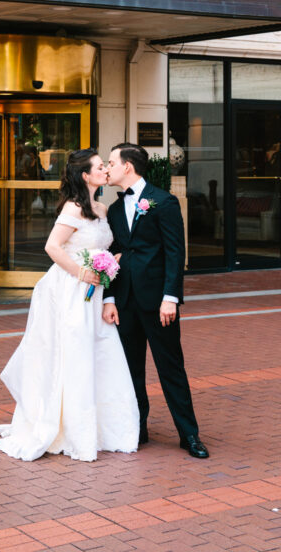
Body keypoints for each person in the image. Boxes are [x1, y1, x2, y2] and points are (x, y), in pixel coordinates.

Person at [0, 148, 139, 462]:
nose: (105, 170)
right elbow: (52, 246)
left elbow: (105, 245)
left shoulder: (101, 208)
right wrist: (83, 273)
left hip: (95, 293)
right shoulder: (74, 208)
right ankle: (67, 427)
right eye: (100, 167)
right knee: (72, 354)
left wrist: (111, 262)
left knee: (97, 353)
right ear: (86, 176)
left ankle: (101, 426)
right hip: (71, 291)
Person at [103, 142, 209, 459]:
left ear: (128, 167)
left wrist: (171, 297)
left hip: (158, 302)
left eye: (111, 162)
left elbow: (176, 254)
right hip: (124, 302)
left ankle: (189, 435)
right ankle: (139, 427)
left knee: (170, 368)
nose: (107, 168)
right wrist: (109, 297)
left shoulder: (163, 202)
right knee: (130, 370)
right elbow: (111, 254)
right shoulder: (113, 209)